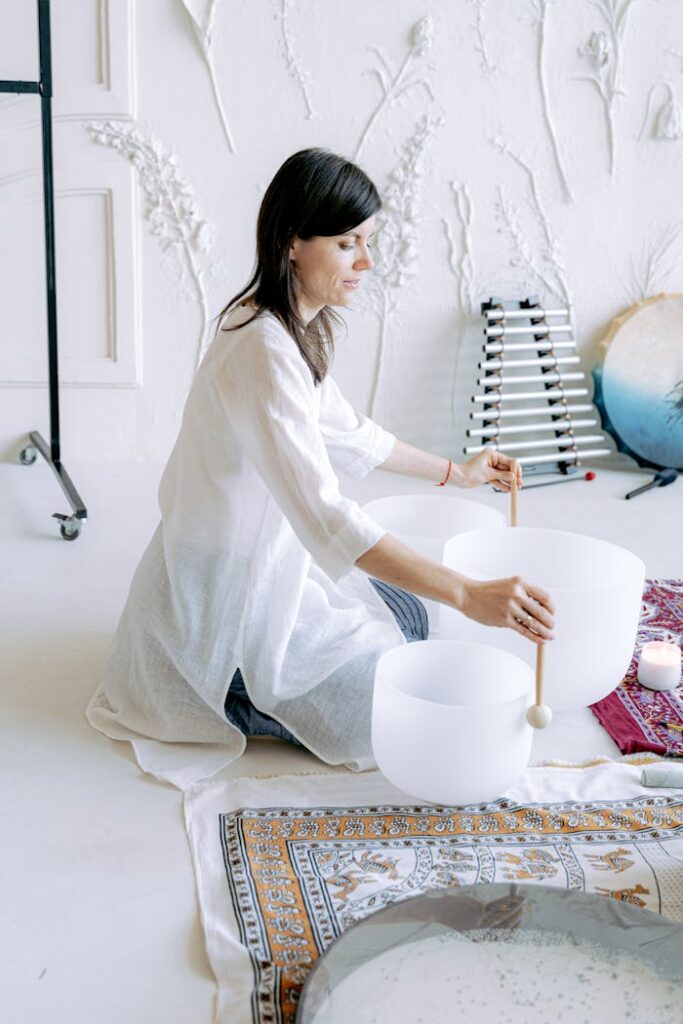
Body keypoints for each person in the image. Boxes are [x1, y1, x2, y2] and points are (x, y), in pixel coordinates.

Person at [87, 148, 554, 788]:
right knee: (387, 709)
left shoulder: (283, 325)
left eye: (367, 240)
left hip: (266, 572)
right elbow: (326, 518)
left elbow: (351, 433)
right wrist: (468, 593)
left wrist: (458, 472)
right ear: (291, 243)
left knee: (413, 621)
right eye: (346, 243)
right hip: (218, 608)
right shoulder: (261, 349)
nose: (366, 261)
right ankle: (223, 689)